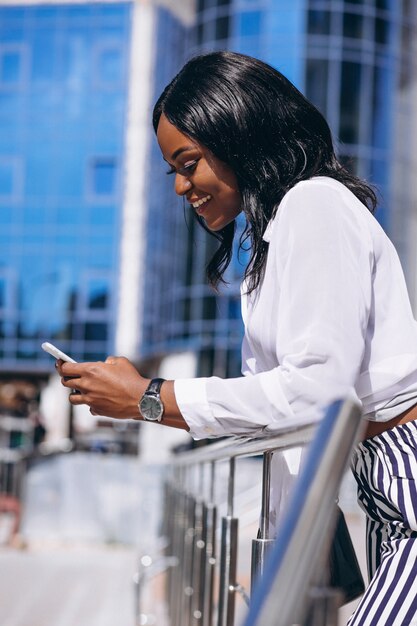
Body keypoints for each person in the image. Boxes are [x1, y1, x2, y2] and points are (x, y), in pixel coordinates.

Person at [57, 51, 417, 624]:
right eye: (172, 168)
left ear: (240, 137)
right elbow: (277, 415)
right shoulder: (274, 239)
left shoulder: (314, 204)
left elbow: (318, 394)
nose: (180, 186)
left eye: (189, 161)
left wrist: (151, 397)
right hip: (382, 484)